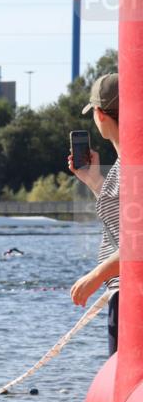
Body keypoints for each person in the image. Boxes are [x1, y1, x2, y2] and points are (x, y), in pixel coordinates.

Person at [69, 73, 121, 355]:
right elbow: (126, 218)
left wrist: (94, 277)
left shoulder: (133, 167)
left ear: (100, 114)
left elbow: (137, 244)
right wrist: (94, 180)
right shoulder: (128, 164)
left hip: (131, 297)